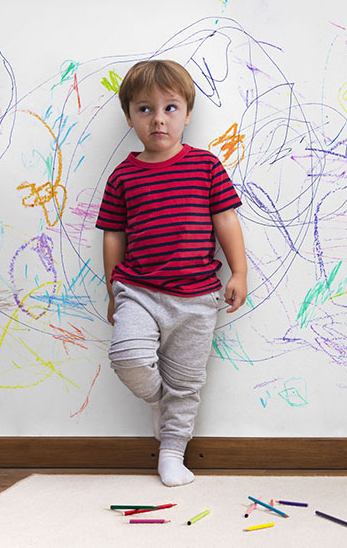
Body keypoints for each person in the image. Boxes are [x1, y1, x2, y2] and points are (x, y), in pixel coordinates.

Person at [95, 60, 247, 486]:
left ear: (187, 113)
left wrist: (239, 271)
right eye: (145, 109)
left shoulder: (206, 167)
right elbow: (112, 236)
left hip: (197, 297)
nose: (158, 119)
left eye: (170, 107)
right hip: (138, 291)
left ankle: (172, 453)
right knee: (127, 357)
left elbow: (227, 220)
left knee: (188, 382)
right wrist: (112, 291)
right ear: (129, 117)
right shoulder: (124, 175)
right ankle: (161, 400)